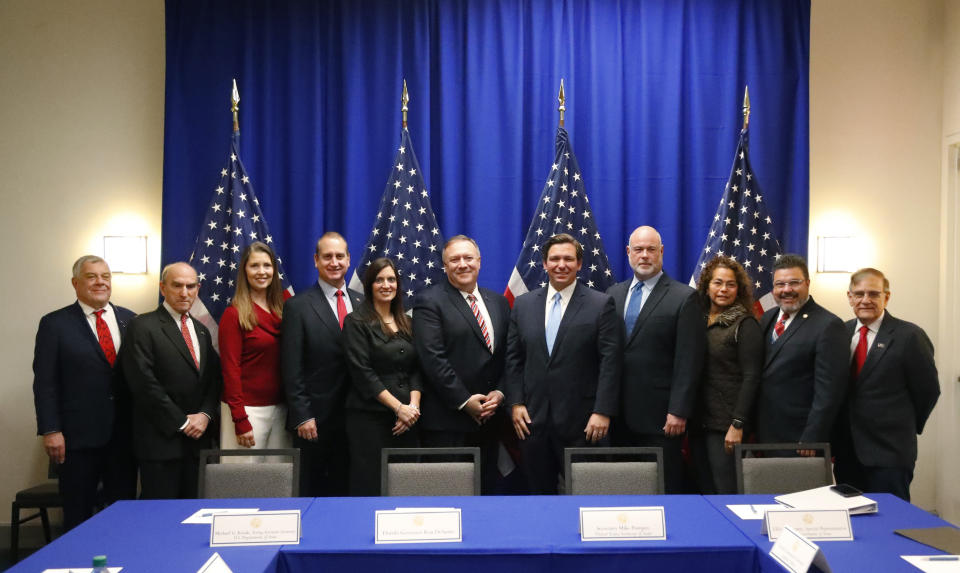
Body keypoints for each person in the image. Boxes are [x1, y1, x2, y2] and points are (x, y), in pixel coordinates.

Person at [506, 233, 622, 494]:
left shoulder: (600, 304)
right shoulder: (523, 305)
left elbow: (610, 364)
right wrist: (515, 403)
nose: (561, 265)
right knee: (539, 499)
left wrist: (602, 411)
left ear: (579, 264)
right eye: (554, 259)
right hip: (533, 424)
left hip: (584, 425)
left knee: (587, 499)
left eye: (568, 259)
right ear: (544, 264)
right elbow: (513, 359)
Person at [32, 255, 138, 530]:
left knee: (123, 513)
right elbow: (45, 382)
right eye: (92, 276)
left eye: (105, 276)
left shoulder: (131, 320)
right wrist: (51, 430)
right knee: (78, 515)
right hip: (77, 439)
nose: (100, 282)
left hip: (124, 437)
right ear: (75, 282)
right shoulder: (55, 324)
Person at [607, 226, 705, 493]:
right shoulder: (612, 295)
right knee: (623, 489)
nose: (645, 255)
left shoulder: (684, 297)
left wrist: (679, 410)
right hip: (617, 417)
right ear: (628, 253)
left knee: (663, 488)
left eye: (651, 249)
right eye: (638, 249)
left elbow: (689, 360)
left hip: (662, 418)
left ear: (661, 252)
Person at [413, 235, 511, 493]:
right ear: (444, 266)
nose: (462, 264)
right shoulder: (429, 301)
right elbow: (432, 359)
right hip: (448, 422)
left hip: (491, 420)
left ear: (479, 262)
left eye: (468, 258)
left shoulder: (498, 302)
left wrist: (500, 393)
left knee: (486, 496)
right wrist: (465, 401)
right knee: (446, 498)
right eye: (454, 259)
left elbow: (509, 355)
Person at [832, 268, 940, 501]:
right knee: (852, 521)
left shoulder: (909, 336)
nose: (865, 300)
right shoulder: (840, 332)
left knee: (892, 522)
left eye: (873, 294)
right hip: (847, 452)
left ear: (886, 297)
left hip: (890, 452)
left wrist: (905, 426)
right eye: (859, 294)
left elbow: (928, 391)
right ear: (849, 297)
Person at [121, 262, 221, 499]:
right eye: (177, 285)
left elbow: (213, 380)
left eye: (190, 286)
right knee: (160, 521)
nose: (184, 292)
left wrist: (205, 415)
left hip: (198, 445)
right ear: (162, 288)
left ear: (198, 288)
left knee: (193, 517)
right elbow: (143, 383)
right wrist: (182, 422)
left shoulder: (201, 330)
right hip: (161, 443)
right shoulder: (142, 326)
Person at [281, 232, 362, 496]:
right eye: (327, 256)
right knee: (311, 490)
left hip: (356, 417)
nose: (334, 262)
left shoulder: (363, 303)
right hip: (314, 420)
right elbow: (291, 367)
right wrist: (302, 414)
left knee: (349, 488)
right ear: (316, 260)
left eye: (340, 256)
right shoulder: (297, 306)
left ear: (349, 260)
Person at [343, 258, 422, 496]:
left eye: (391, 279)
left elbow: (418, 368)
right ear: (369, 285)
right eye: (379, 280)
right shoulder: (355, 322)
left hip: (409, 421)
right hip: (369, 421)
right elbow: (362, 372)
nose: (386, 285)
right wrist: (398, 408)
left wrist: (412, 408)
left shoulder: (408, 322)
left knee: (407, 485)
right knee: (371, 486)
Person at [756, 254, 847, 453]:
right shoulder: (767, 318)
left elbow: (829, 392)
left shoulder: (828, 325)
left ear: (807, 283)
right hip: (765, 434)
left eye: (794, 283)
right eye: (780, 284)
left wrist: (813, 436)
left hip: (801, 439)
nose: (786, 290)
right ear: (773, 288)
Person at [688, 256, 762, 494]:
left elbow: (752, 376)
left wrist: (738, 424)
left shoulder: (745, 324)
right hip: (697, 421)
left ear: (738, 289)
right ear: (706, 286)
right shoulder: (695, 320)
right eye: (717, 283)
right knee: (703, 488)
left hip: (725, 425)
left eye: (730, 284)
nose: (723, 289)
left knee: (725, 490)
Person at [219, 242, 291, 455]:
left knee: (279, 479)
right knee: (243, 481)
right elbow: (230, 370)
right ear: (244, 271)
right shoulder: (234, 315)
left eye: (267, 266)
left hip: (281, 408)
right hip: (247, 411)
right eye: (255, 266)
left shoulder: (284, 310)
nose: (262, 272)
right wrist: (240, 418)